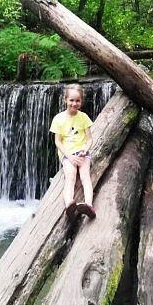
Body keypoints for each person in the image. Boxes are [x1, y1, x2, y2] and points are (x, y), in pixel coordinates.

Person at [50, 84, 96, 223]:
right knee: (70, 177)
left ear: (81, 101)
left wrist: (85, 150)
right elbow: (58, 142)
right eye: (71, 100)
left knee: (85, 177)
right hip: (67, 155)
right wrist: (69, 156)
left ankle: (89, 206)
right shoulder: (58, 119)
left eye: (77, 101)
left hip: (82, 153)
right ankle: (69, 205)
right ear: (65, 100)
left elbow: (89, 139)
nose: (74, 103)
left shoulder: (84, 118)